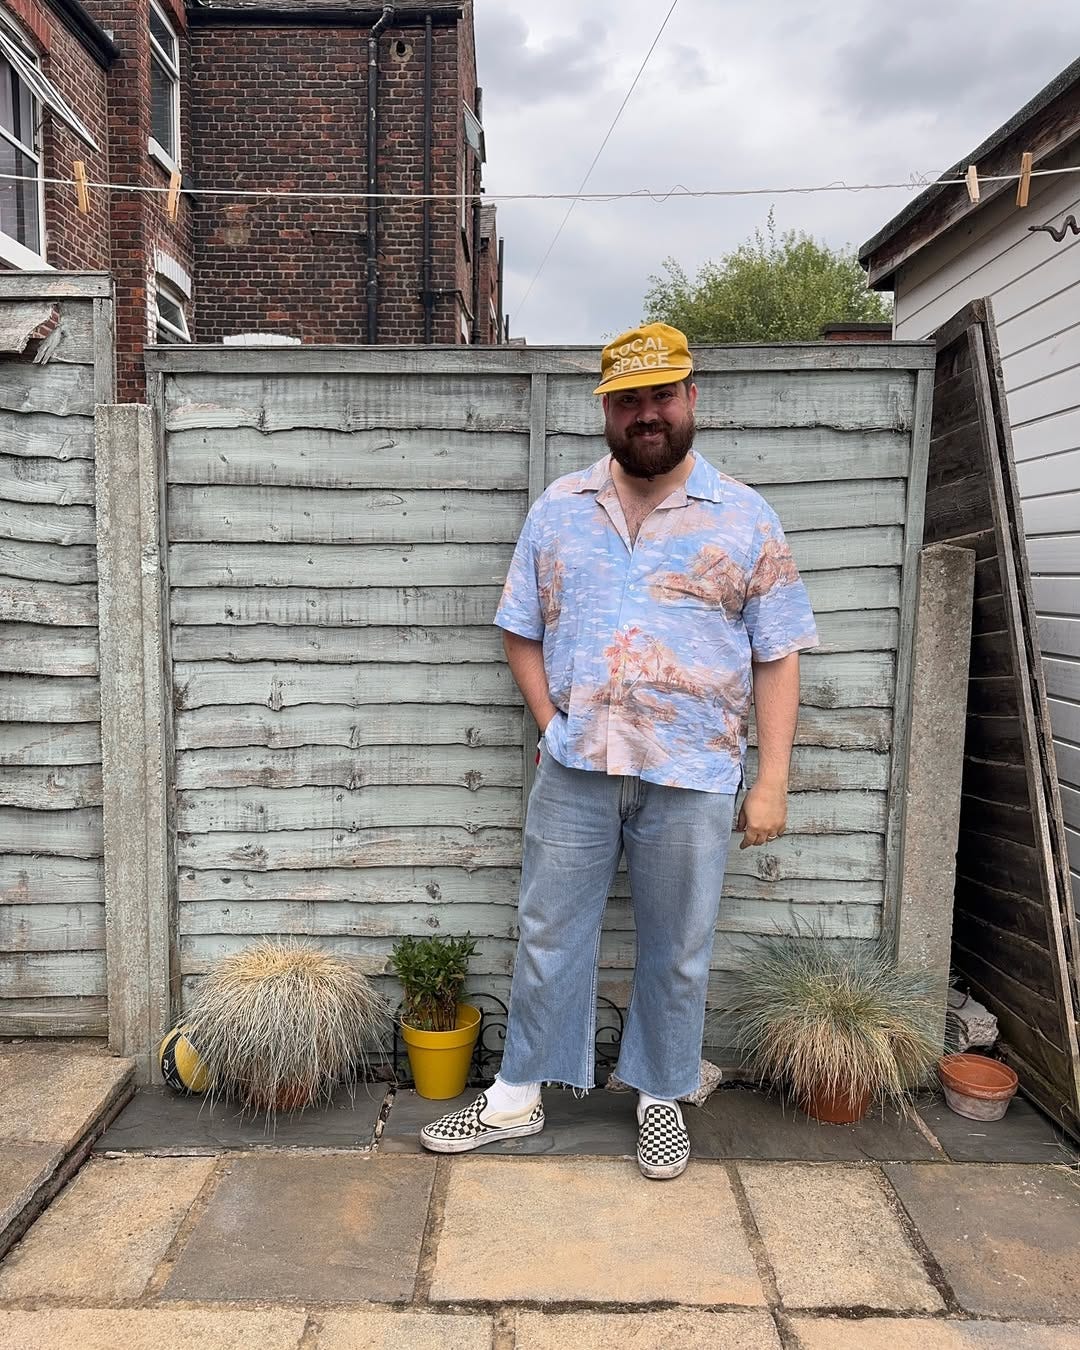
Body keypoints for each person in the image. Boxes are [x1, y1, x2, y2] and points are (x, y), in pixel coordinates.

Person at [419, 322, 819, 1178]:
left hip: (696, 773)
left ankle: (662, 1095)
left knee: (679, 944)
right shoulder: (560, 510)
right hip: (576, 769)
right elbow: (519, 632)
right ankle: (519, 1093)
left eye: (661, 396)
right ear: (606, 408)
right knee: (548, 933)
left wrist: (774, 781)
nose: (646, 414)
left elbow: (777, 653)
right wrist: (549, 723)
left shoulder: (746, 519)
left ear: (690, 400)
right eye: (628, 399)